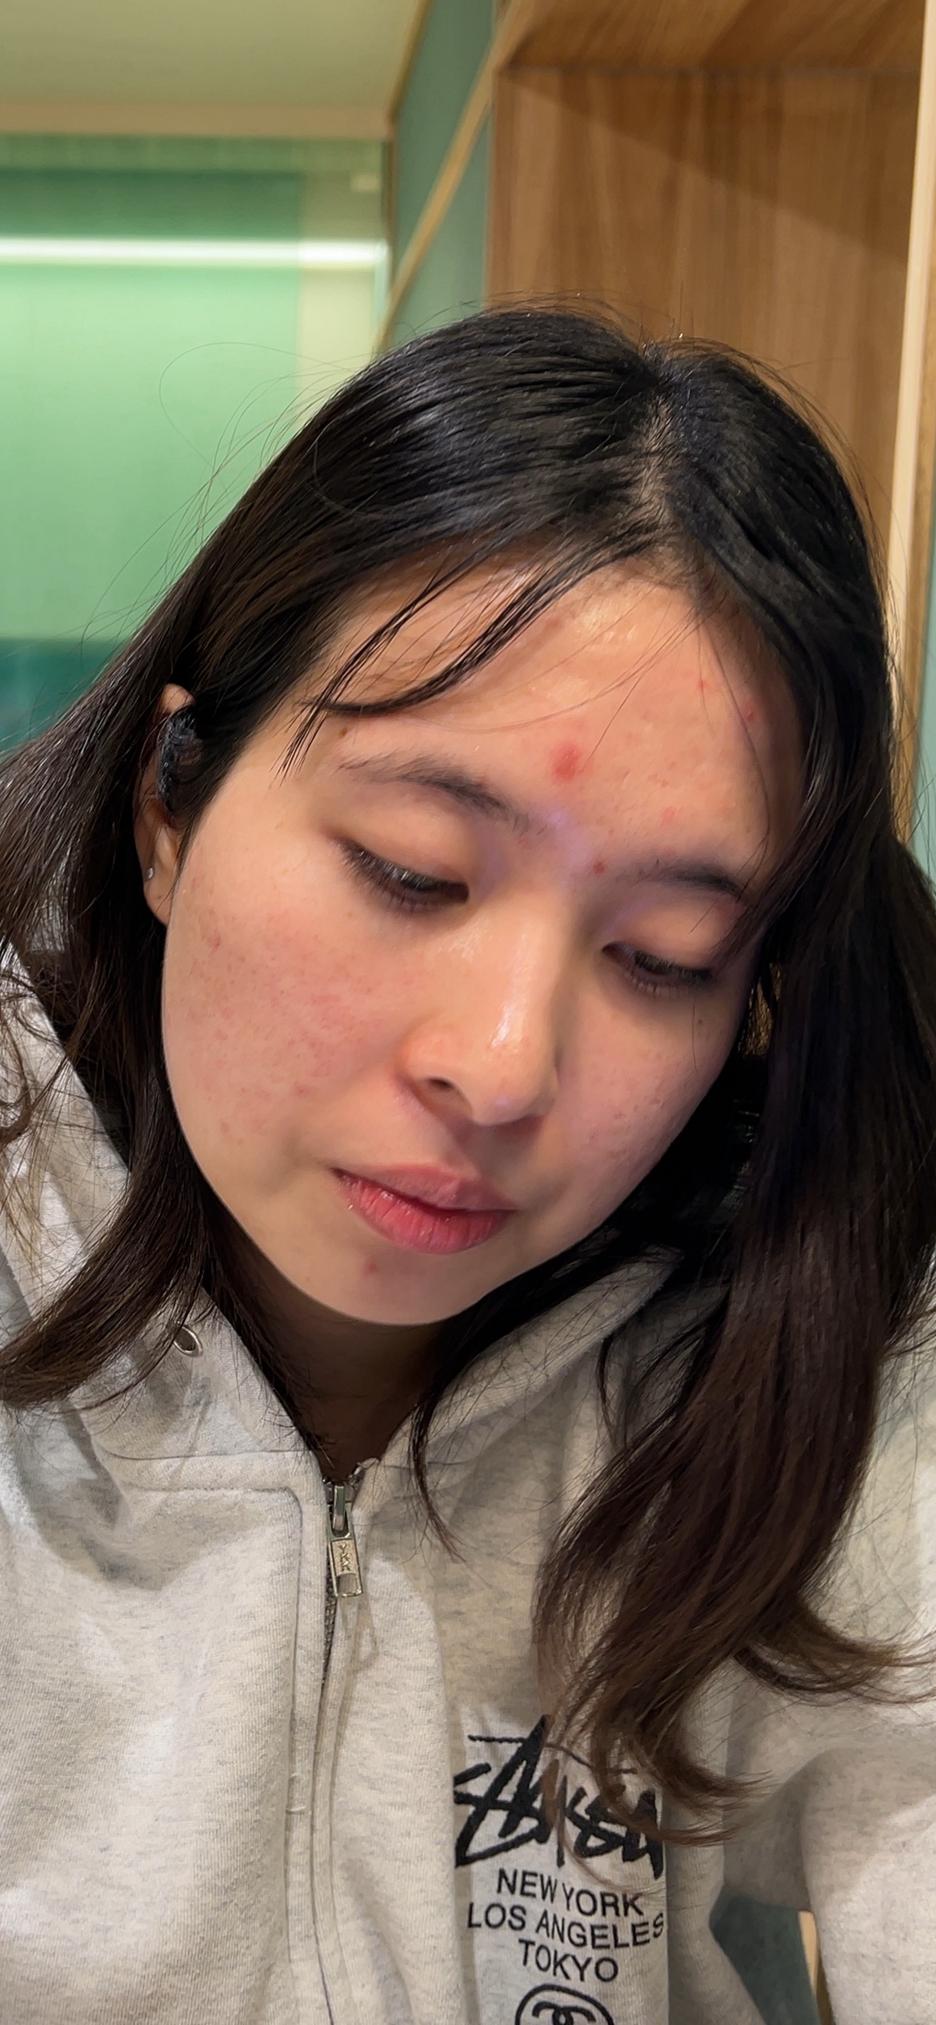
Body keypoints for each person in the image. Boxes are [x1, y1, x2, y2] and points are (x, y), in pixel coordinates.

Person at [0, 304, 934, 2025]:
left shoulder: (805, 1334)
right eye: (413, 871)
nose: (502, 1065)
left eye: (660, 958)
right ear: (167, 805)